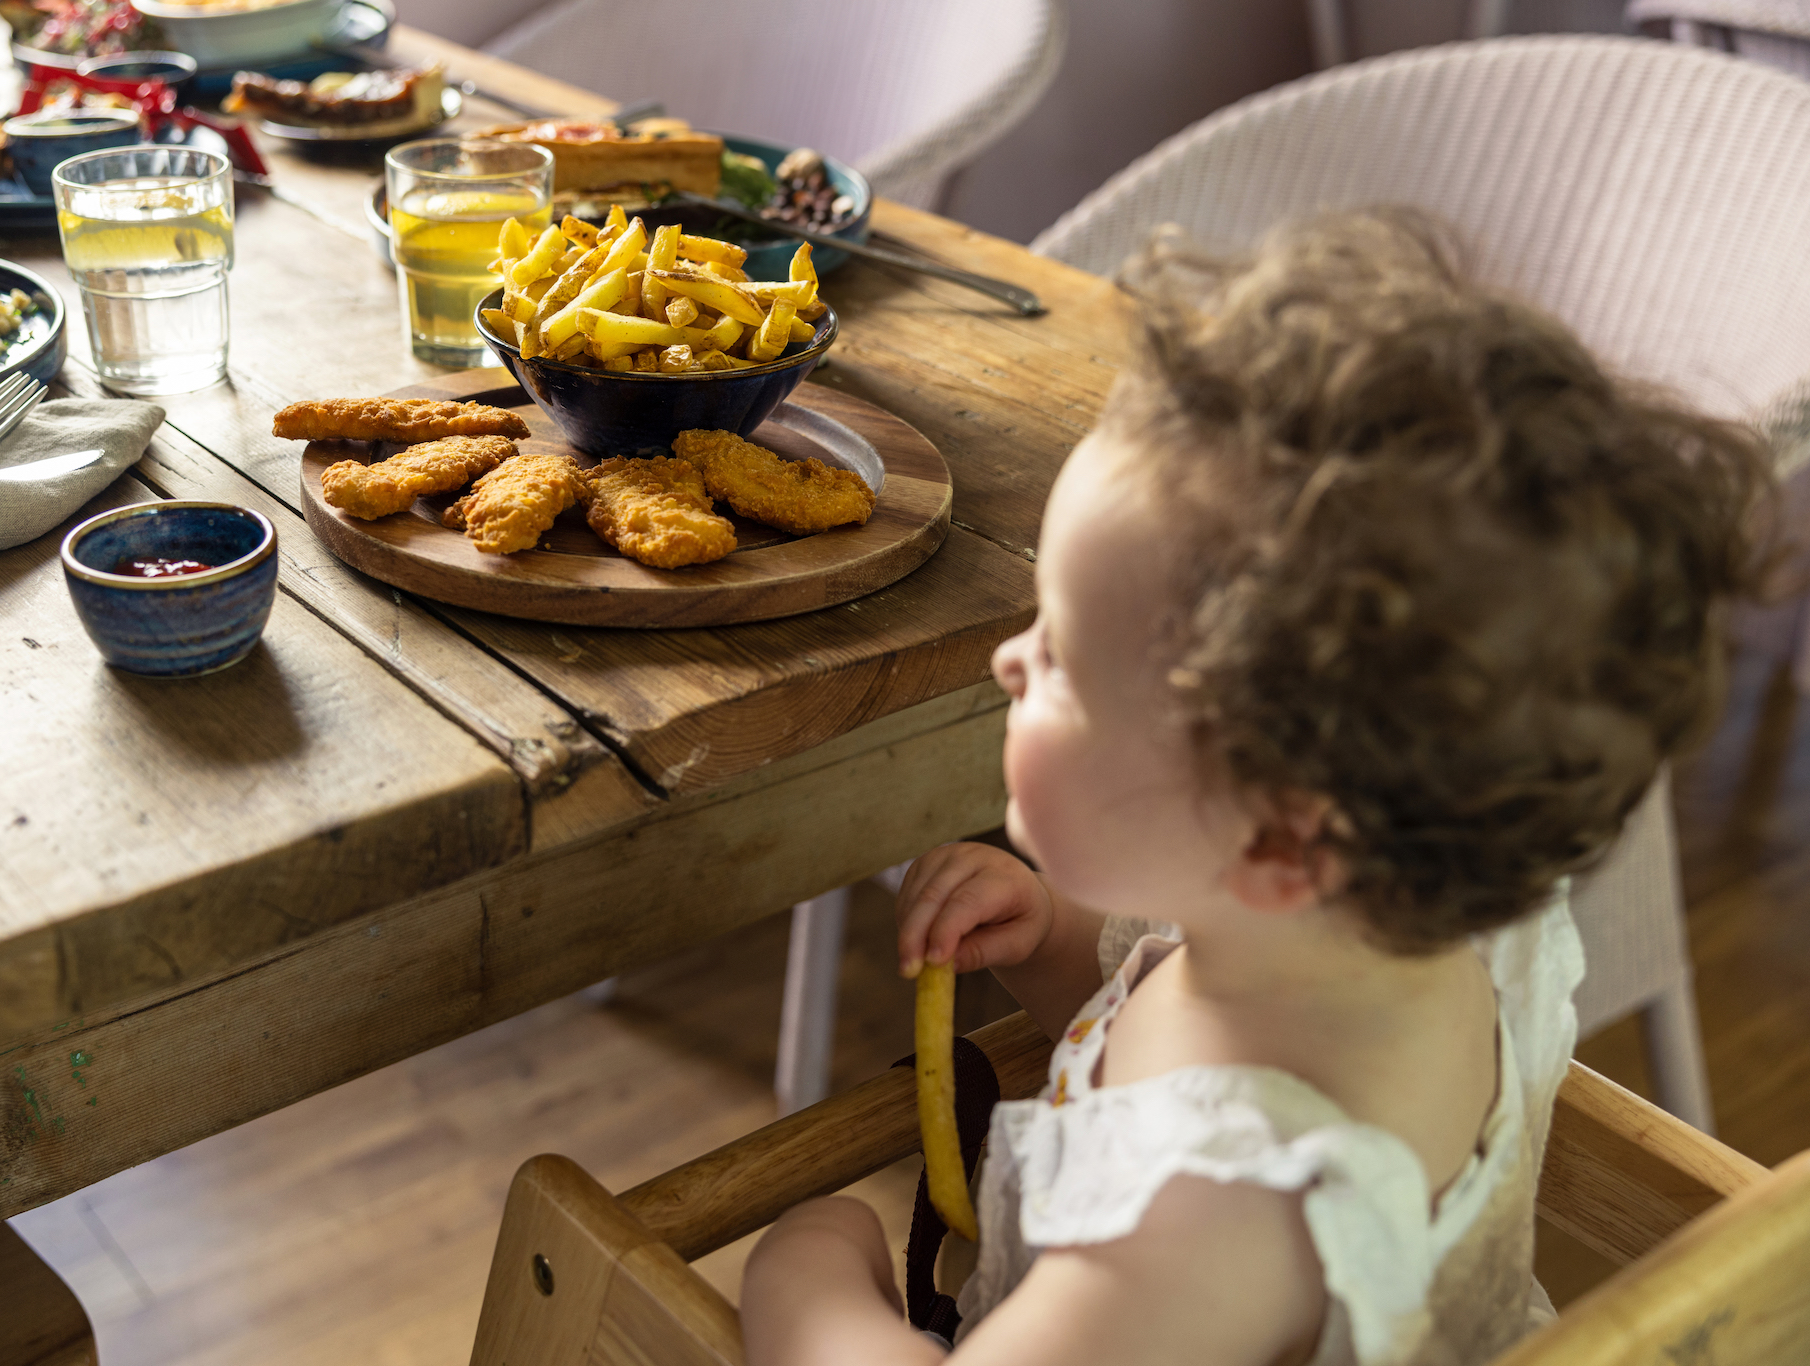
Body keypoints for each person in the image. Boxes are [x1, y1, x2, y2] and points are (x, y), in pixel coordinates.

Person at [739, 209, 1773, 1366]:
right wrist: (1050, 938)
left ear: (1281, 840)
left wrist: (809, 1284)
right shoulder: (1392, 929)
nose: (1007, 660)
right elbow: (1166, 1033)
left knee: (793, 1242)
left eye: (1066, 658)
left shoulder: (1204, 1221)